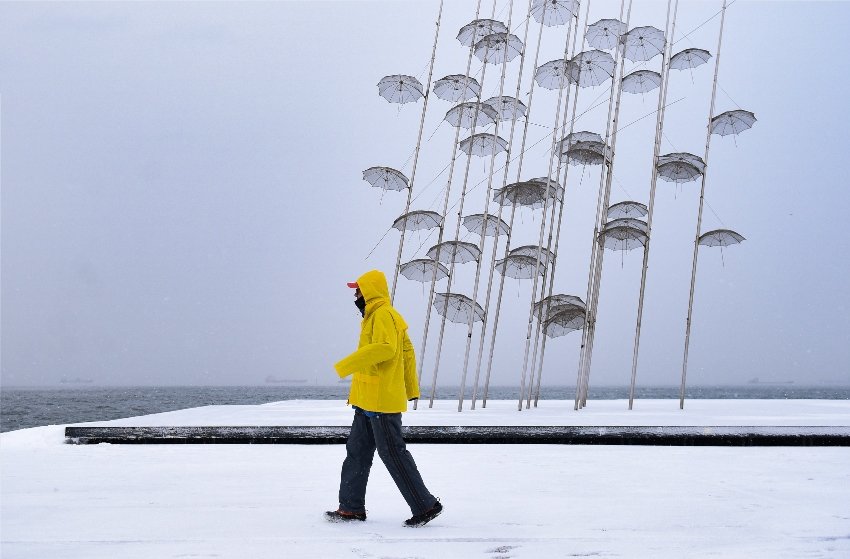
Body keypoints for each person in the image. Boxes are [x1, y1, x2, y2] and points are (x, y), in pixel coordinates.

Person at [325, 269, 443, 527]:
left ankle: (425, 505)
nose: (355, 295)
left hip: (381, 401)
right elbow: (407, 352)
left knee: (392, 453)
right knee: (357, 453)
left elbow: (387, 349)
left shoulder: (384, 315)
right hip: (366, 401)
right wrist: (410, 388)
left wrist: (347, 364)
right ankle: (350, 508)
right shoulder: (373, 316)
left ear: (370, 292)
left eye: (358, 291)